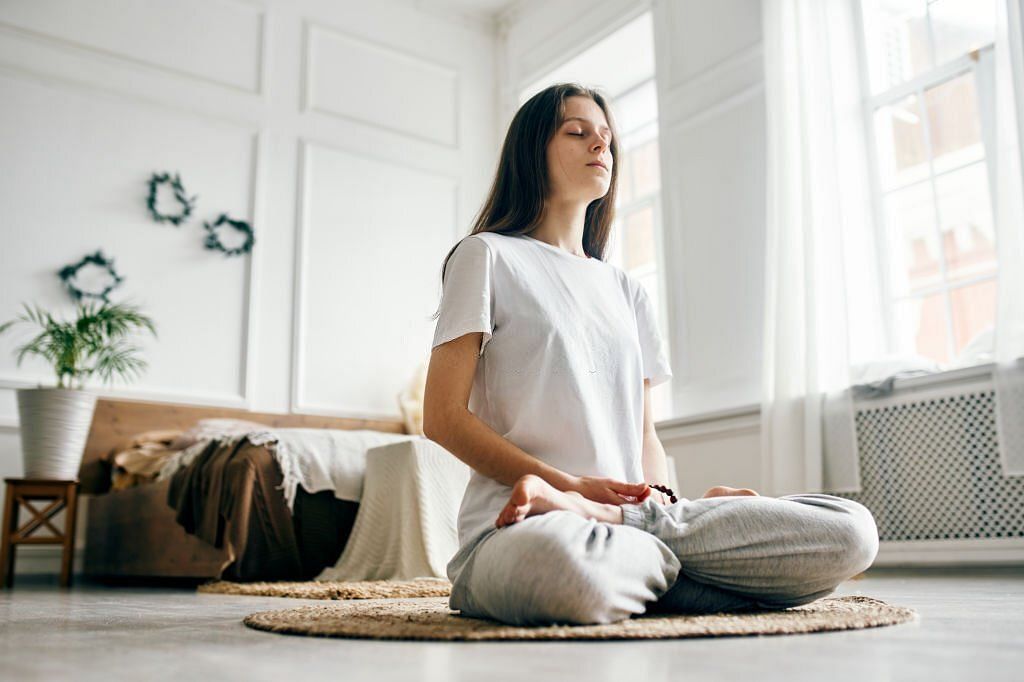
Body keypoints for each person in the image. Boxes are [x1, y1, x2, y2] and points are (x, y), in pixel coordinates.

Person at [422, 82, 879, 627]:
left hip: (628, 523)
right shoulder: (487, 256)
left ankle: (646, 546)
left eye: (608, 140)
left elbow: (645, 437)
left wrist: (658, 499)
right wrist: (566, 488)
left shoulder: (626, 290)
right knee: (565, 573)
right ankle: (686, 569)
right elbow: (443, 418)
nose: (600, 147)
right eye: (578, 133)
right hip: (523, 531)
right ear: (531, 151)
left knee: (851, 531)